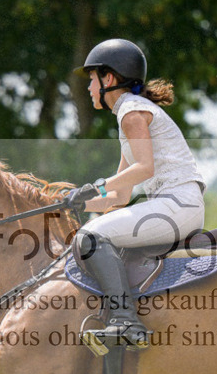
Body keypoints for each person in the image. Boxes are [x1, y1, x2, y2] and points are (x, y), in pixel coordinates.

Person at [66, 38, 206, 350]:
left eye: (91, 80)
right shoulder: (129, 116)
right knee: (92, 232)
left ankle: (126, 322)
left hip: (177, 205)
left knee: (89, 239)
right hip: (174, 205)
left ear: (109, 79)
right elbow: (120, 196)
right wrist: (76, 202)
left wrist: (98, 185)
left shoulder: (131, 111)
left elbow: (143, 168)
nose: (89, 88)